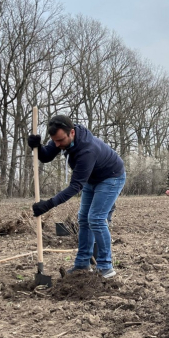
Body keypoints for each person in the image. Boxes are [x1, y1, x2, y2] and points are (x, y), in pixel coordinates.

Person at [27, 115, 126, 278]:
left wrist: (48, 204)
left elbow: (75, 186)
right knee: (84, 218)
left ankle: (106, 266)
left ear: (71, 133)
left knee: (96, 218)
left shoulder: (87, 149)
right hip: (91, 179)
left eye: (60, 140)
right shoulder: (62, 136)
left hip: (111, 177)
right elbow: (46, 156)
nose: (57, 145)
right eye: (54, 141)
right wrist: (36, 146)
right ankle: (82, 264)